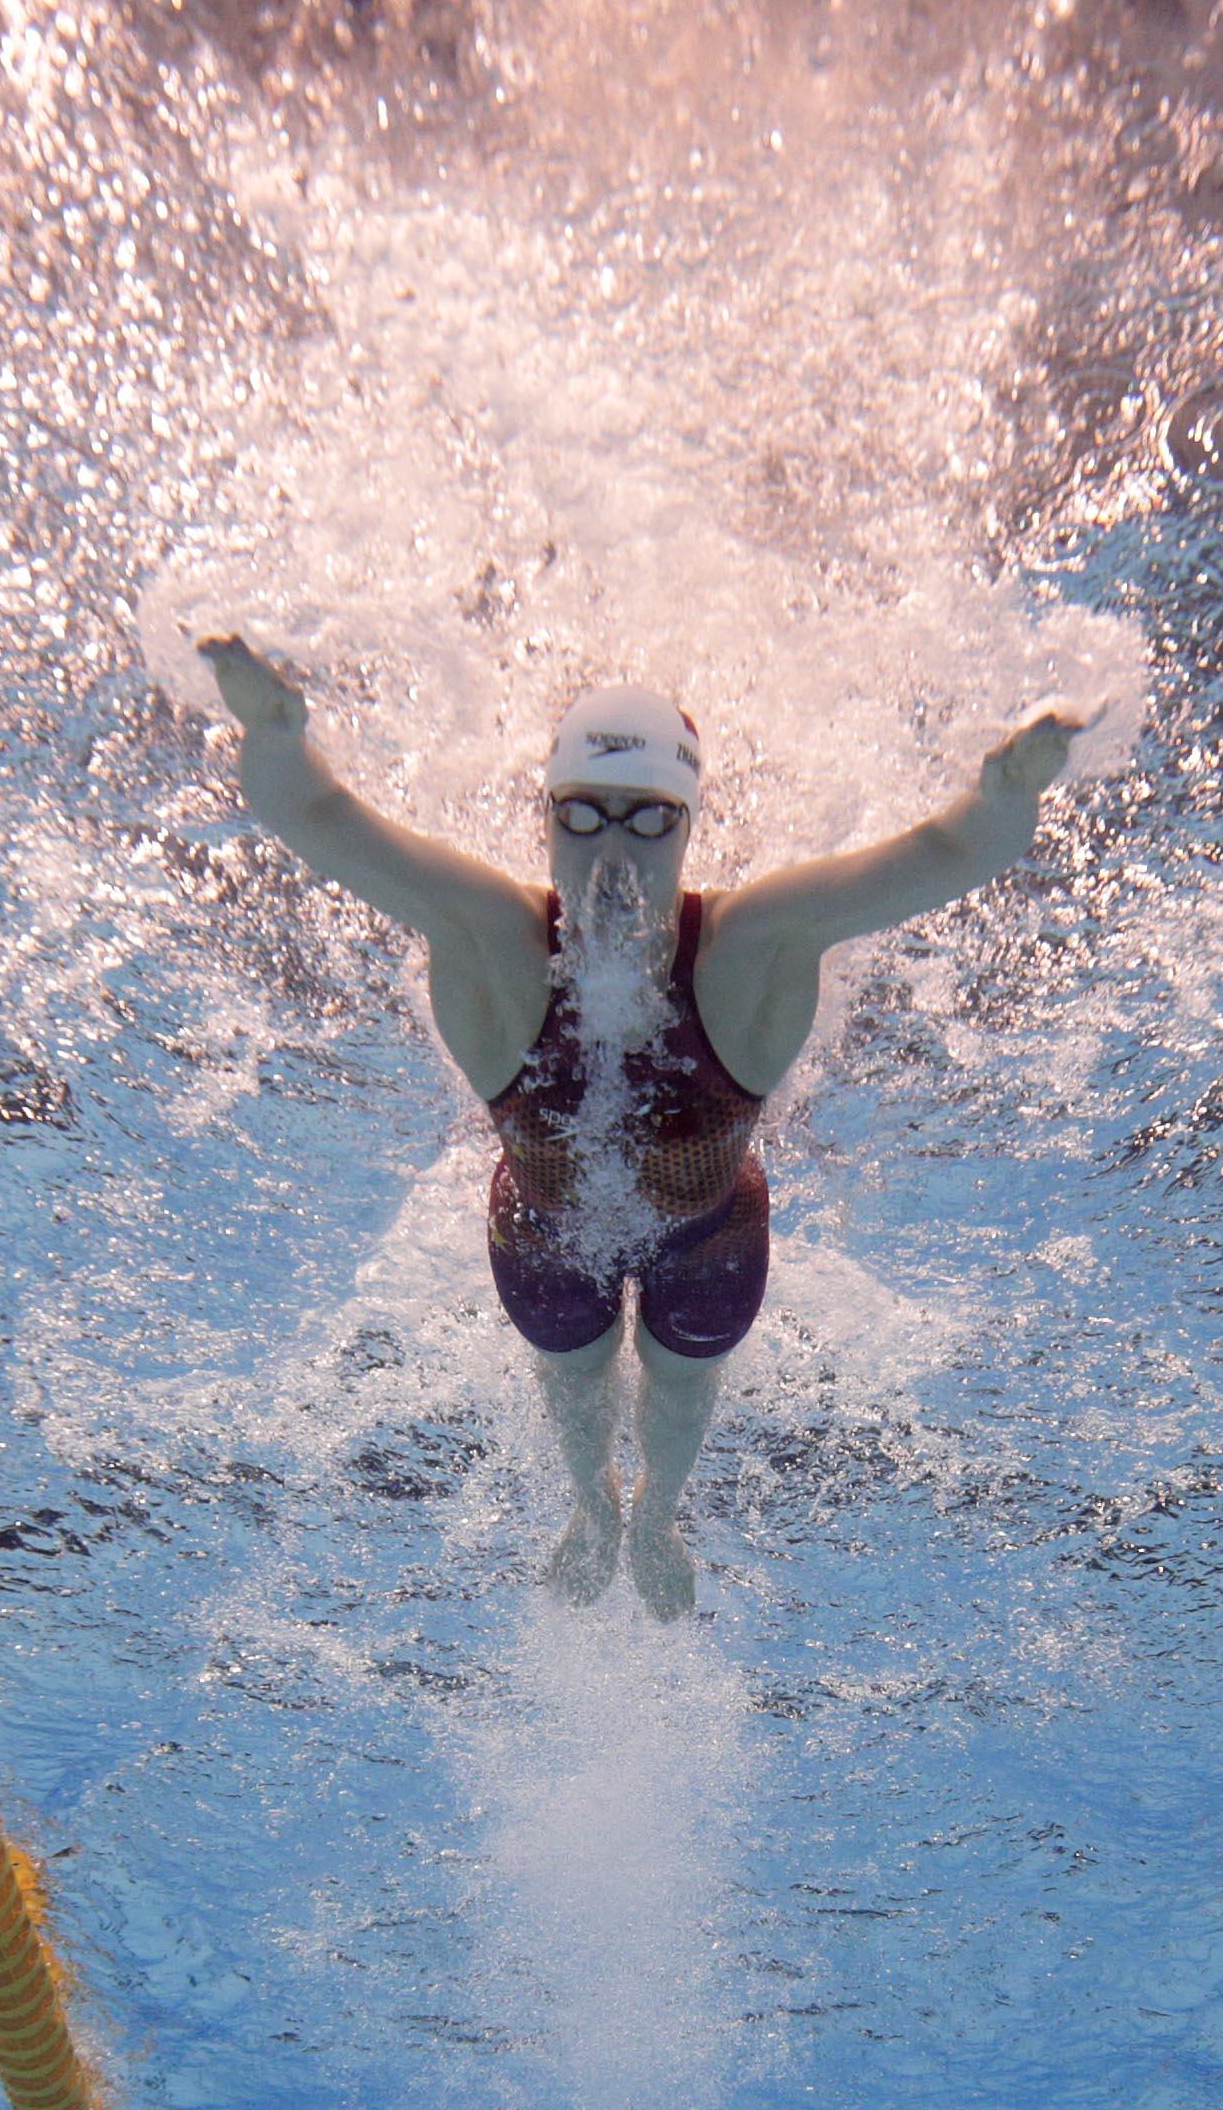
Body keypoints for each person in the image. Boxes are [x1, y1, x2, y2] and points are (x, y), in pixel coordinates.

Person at [200, 638, 1078, 1617]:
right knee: (573, 1384)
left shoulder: (748, 947)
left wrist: (1006, 789)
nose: (613, 848)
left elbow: (945, 853)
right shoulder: (491, 934)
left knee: (679, 1398)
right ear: (547, 816)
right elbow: (319, 817)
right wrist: (274, 733)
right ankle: (591, 1510)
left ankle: (658, 1513)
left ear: (688, 825)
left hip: (710, 1239)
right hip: (544, 1239)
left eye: (649, 820)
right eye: (582, 813)